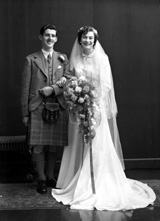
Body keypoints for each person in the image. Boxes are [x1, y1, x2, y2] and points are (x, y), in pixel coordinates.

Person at [51, 26, 156, 210]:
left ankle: (98, 182)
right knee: (80, 144)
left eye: (90, 38)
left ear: (95, 40)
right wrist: (77, 98)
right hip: (79, 108)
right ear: (80, 39)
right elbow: (70, 80)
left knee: (97, 144)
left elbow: (106, 85)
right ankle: (78, 180)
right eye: (84, 38)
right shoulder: (74, 59)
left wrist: (92, 102)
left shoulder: (102, 59)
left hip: (95, 107)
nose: (87, 41)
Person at [21, 24, 69, 194]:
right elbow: (25, 88)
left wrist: (54, 89)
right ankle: (40, 178)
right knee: (38, 146)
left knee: (53, 146)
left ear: (56, 39)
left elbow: (68, 81)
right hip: (37, 107)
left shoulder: (63, 59)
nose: (50, 38)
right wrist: (25, 113)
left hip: (58, 107)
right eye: (47, 35)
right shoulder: (31, 60)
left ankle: (50, 177)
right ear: (40, 37)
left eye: (53, 35)